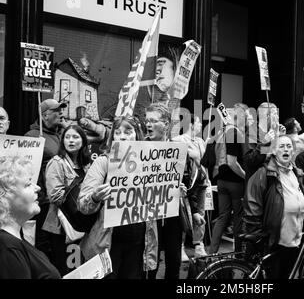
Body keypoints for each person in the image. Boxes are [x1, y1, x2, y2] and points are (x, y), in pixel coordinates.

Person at [78, 116, 158, 279]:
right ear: (112, 136)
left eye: (128, 132)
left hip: (139, 244)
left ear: (137, 135)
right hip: (108, 243)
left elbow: (157, 201)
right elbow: (82, 205)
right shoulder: (103, 162)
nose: (122, 136)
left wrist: (173, 192)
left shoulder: (150, 163)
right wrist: (94, 198)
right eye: (118, 132)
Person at [243, 135, 304, 278]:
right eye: (281, 146)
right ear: (273, 151)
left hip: (294, 242)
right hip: (273, 243)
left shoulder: (295, 173)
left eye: (289, 146)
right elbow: (252, 206)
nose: (286, 149)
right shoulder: (264, 173)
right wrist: (259, 237)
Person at [0, 156, 60, 279]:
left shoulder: (14, 241)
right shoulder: (7, 247)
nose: (38, 188)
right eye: (28, 184)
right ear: (5, 197)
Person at [43, 125, 91, 275]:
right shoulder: (57, 162)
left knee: (80, 267)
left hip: (82, 223)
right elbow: (55, 195)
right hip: (62, 226)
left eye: (75, 137)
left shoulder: (86, 164)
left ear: (83, 142)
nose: (71, 140)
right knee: (66, 269)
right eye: (67, 137)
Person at [24, 99, 67, 260]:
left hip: (62, 200)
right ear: (44, 116)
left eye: (61, 110)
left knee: (61, 246)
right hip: (44, 202)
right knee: (45, 247)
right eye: (56, 110)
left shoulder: (63, 133)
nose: (61, 113)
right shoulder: (32, 136)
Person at [209, 104, 247, 254]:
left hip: (221, 180)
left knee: (222, 217)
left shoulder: (222, 132)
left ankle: (212, 253)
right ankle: (238, 254)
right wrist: (246, 176)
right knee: (238, 218)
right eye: (246, 116)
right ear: (240, 117)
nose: (248, 119)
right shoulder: (235, 133)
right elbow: (232, 162)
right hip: (235, 183)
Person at [172, 115, 208, 259]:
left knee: (201, 212)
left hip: (201, 181)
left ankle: (199, 244)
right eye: (198, 123)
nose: (200, 126)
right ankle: (180, 247)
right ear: (192, 124)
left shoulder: (201, 141)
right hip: (187, 184)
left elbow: (204, 161)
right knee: (184, 214)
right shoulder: (178, 140)